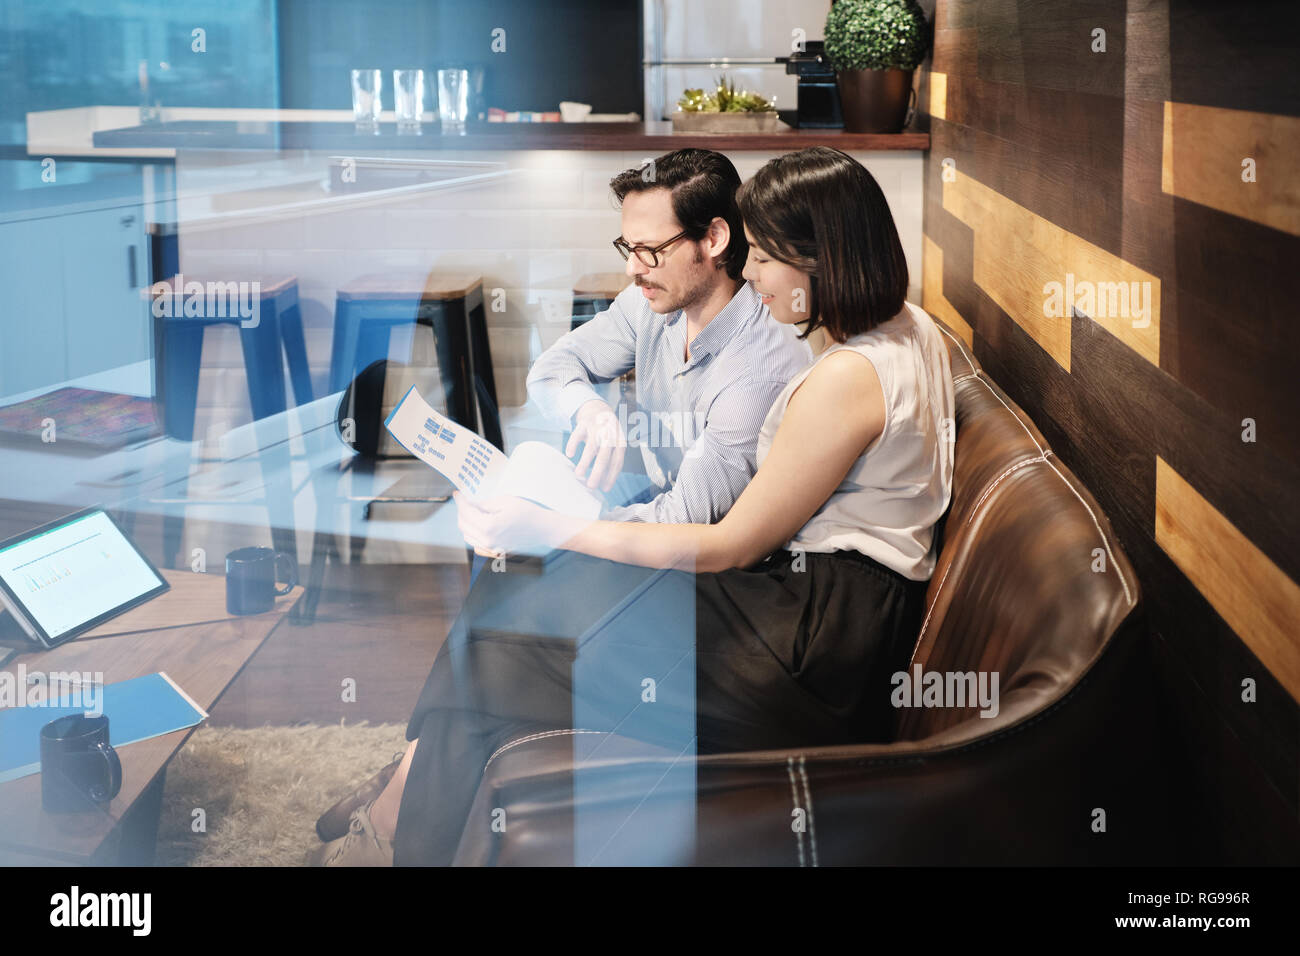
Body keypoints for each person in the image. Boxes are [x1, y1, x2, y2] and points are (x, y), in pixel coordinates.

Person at [311, 146, 956, 866]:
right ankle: (407, 794)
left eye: (768, 258)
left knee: (505, 627)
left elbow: (726, 545)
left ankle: (399, 813)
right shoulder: (905, 330)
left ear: (824, 259)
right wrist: (578, 461)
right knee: (513, 593)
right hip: (808, 605)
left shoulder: (841, 376)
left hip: (811, 648)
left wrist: (557, 527)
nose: (755, 274)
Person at [525, 147, 811, 521]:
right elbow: (550, 370)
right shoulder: (650, 304)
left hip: (716, 557)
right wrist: (590, 409)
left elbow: (685, 523)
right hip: (655, 504)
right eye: (628, 247)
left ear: (713, 238)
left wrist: (555, 527)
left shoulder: (759, 365)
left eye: (650, 250)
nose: (632, 268)